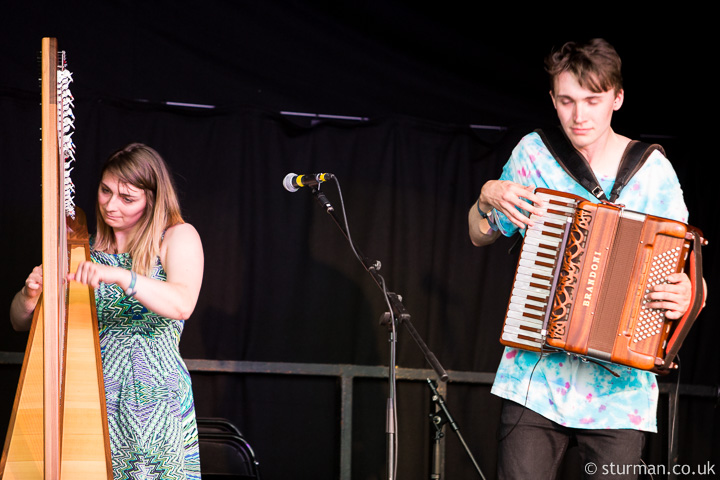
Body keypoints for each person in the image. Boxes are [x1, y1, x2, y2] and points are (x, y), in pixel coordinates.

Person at [468, 39, 703, 479]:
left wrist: (687, 291)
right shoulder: (534, 156)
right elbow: (479, 234)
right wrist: (486, 199)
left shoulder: (653, 173)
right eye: (567, 101)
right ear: (553, 100)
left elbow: (689, 274)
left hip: (620, 395)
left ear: (617, 98)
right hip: (534, 382)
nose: (579, 116)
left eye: (593, 100)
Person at [10, 143, 204, 480]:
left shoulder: (177, 237)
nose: (111, 205)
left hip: (157, 400)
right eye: (105, 190)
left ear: (153, 201)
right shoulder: (80, 250)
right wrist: (29, 296)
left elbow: (182, 303)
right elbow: (18, 322)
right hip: (91, 397)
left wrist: (120, 275)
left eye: (127, 198)